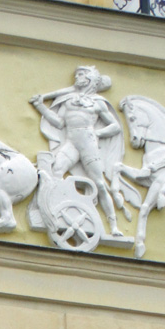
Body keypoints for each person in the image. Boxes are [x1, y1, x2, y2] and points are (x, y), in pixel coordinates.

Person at [30, 66, 124, 237]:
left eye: (80, 74)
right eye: (76, 74)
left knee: (100, 184)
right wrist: (41, 107)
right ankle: (52, 212)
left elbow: (115, 126)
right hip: (71, 142)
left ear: (89, 79)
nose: (76, 77)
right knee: (56, 172)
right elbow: (59, 123)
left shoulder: (98, 103)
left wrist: (98, 133)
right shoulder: (69, 101)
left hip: (88, 143)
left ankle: (113, 225)